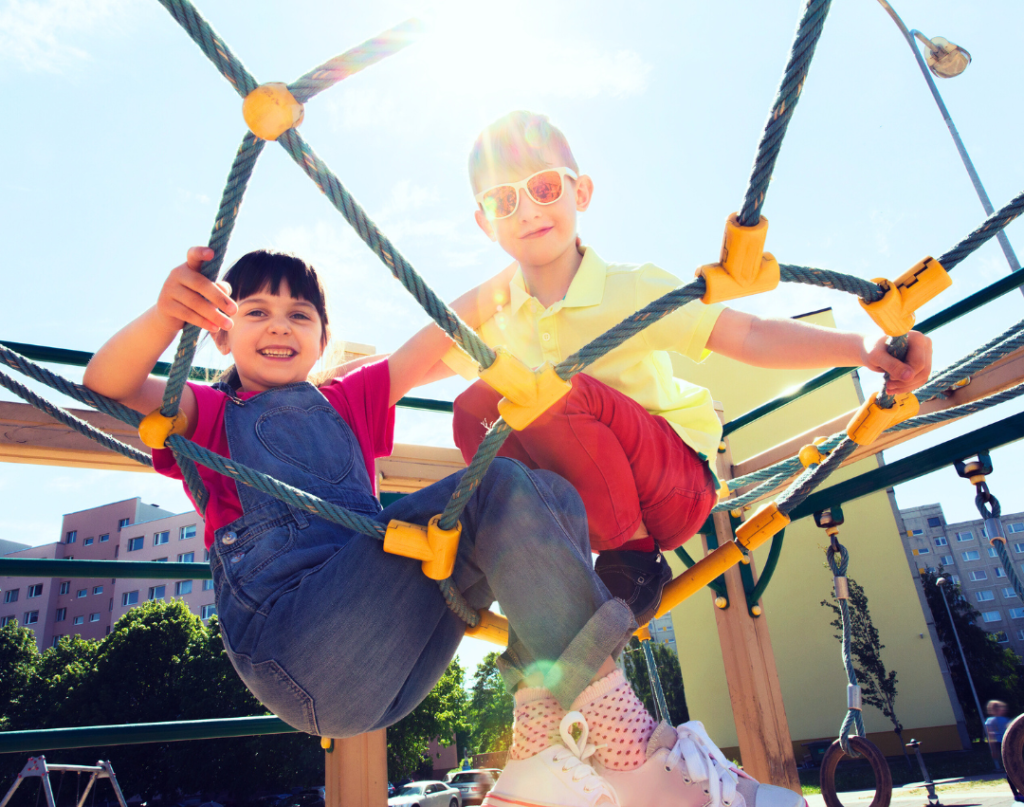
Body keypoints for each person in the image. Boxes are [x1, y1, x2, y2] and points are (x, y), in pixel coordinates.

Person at [82, 248, 804, 807]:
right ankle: (631, 749)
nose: (278, 324)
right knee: (494, 485)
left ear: (324, 336)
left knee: (548, 493)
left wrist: (526, 265)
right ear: (218, 329)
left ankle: (538, 744)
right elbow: (107, 385)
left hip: (388, 654)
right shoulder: (206, 413)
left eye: (300, 314)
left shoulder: (349, 401)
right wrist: (161, 317)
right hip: (295, 640)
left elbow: (433, 340)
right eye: (257, 311)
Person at [438, 110, 933, 626]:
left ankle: (633, 563)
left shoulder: (630, 287)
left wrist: (862, 346)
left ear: (580, 193)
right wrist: (347, 373)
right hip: (590, 507)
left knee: (557, 388)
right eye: (502, 199)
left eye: (543, 187)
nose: (526, 211)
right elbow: (419, 361)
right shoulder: (497, 312)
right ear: (484, 221)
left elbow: (748, 334)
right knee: (474, 405)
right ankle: (533, 544)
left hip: (671, 489)